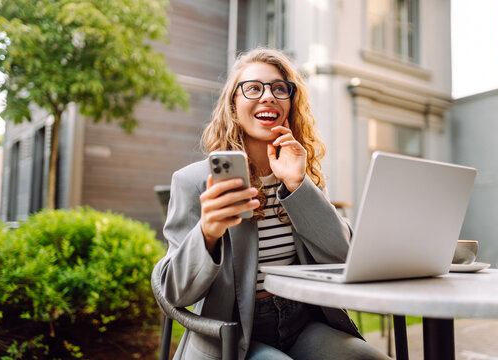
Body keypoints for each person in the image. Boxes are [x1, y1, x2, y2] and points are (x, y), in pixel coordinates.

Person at [156, 48, 390, 360]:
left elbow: (343, 257)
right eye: (253, 88)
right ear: (233, 106)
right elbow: (174, 293)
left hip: (303, 322)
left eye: (279, 88)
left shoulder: (300, 174)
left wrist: (298, 185)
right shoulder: (194, 182)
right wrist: (207, 233)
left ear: (291, 105)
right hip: (234, 331)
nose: (268, 96)